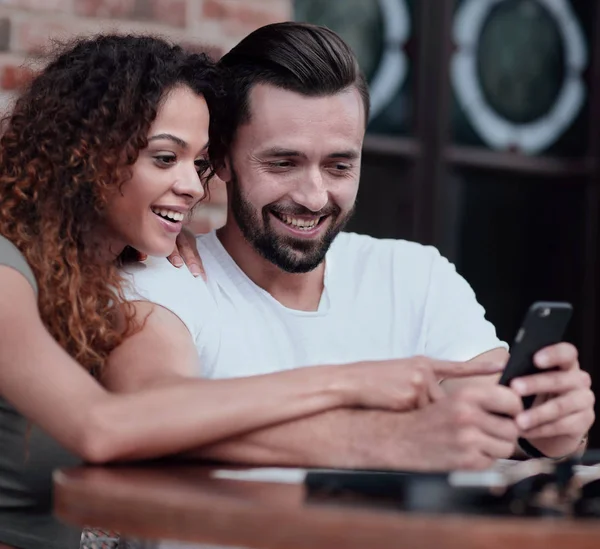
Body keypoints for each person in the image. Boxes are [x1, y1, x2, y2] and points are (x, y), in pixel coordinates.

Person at [0, 34, 485, 549]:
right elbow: (103, 428)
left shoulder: (92, 278)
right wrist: (349, 386)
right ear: (85, 156)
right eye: (165, 158)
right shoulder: (7, 274)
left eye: (199, 162)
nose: (192, 186)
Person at [126, 22, 594, 470]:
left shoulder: (412, 274)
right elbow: (147, 415)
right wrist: (389, 439)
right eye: (284, 162)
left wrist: (546, 424)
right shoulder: (165, 280)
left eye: (339, 166)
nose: (313, 196)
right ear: (222, 159)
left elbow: (495, 403)